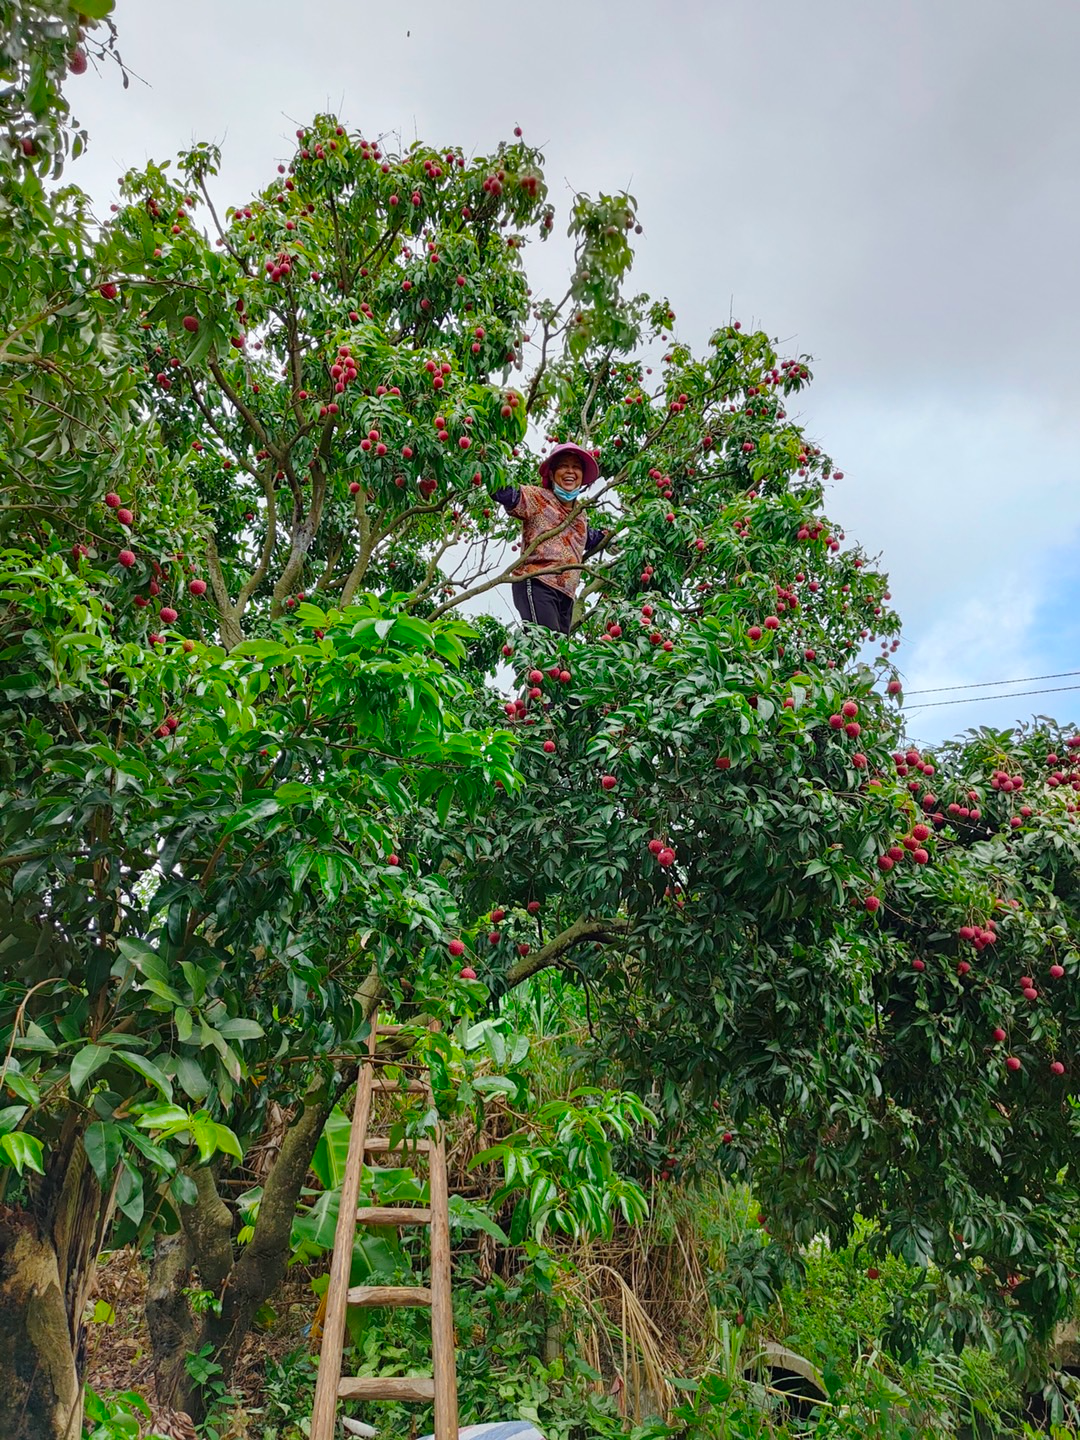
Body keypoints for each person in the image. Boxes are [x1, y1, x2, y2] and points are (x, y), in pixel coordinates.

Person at [493, 442, 609, 636]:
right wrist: (489, 469)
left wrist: (610, 539)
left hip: (566, 594)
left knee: (559, 657)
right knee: (547, 646)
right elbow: (507, 494)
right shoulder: (536, 497)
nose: (570, 471)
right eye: (564, 466)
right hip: (537, 581)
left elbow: (588, 538)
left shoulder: (580, 515)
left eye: (576, 467)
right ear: (553, 473)